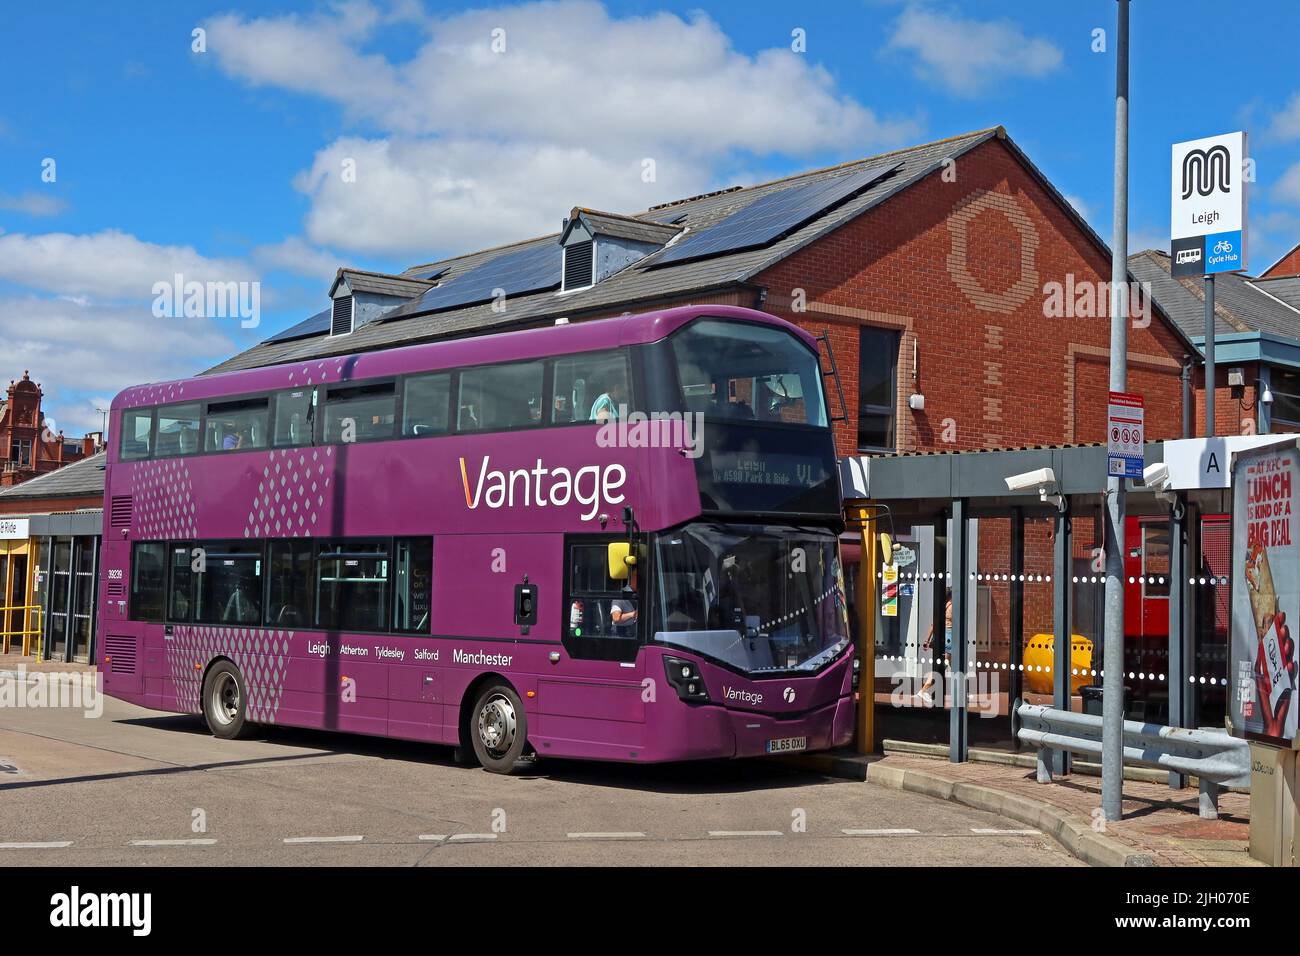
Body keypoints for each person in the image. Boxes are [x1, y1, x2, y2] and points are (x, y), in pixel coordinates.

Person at [917, 596, 953, 704]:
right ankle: (923, 691)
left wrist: (927, 640)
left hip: (942, 636)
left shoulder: (943, 606)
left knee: (953, 665)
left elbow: (933, 624)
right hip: (949, 637)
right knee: (941, 667)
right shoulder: (953, 606)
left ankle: (962, 692)